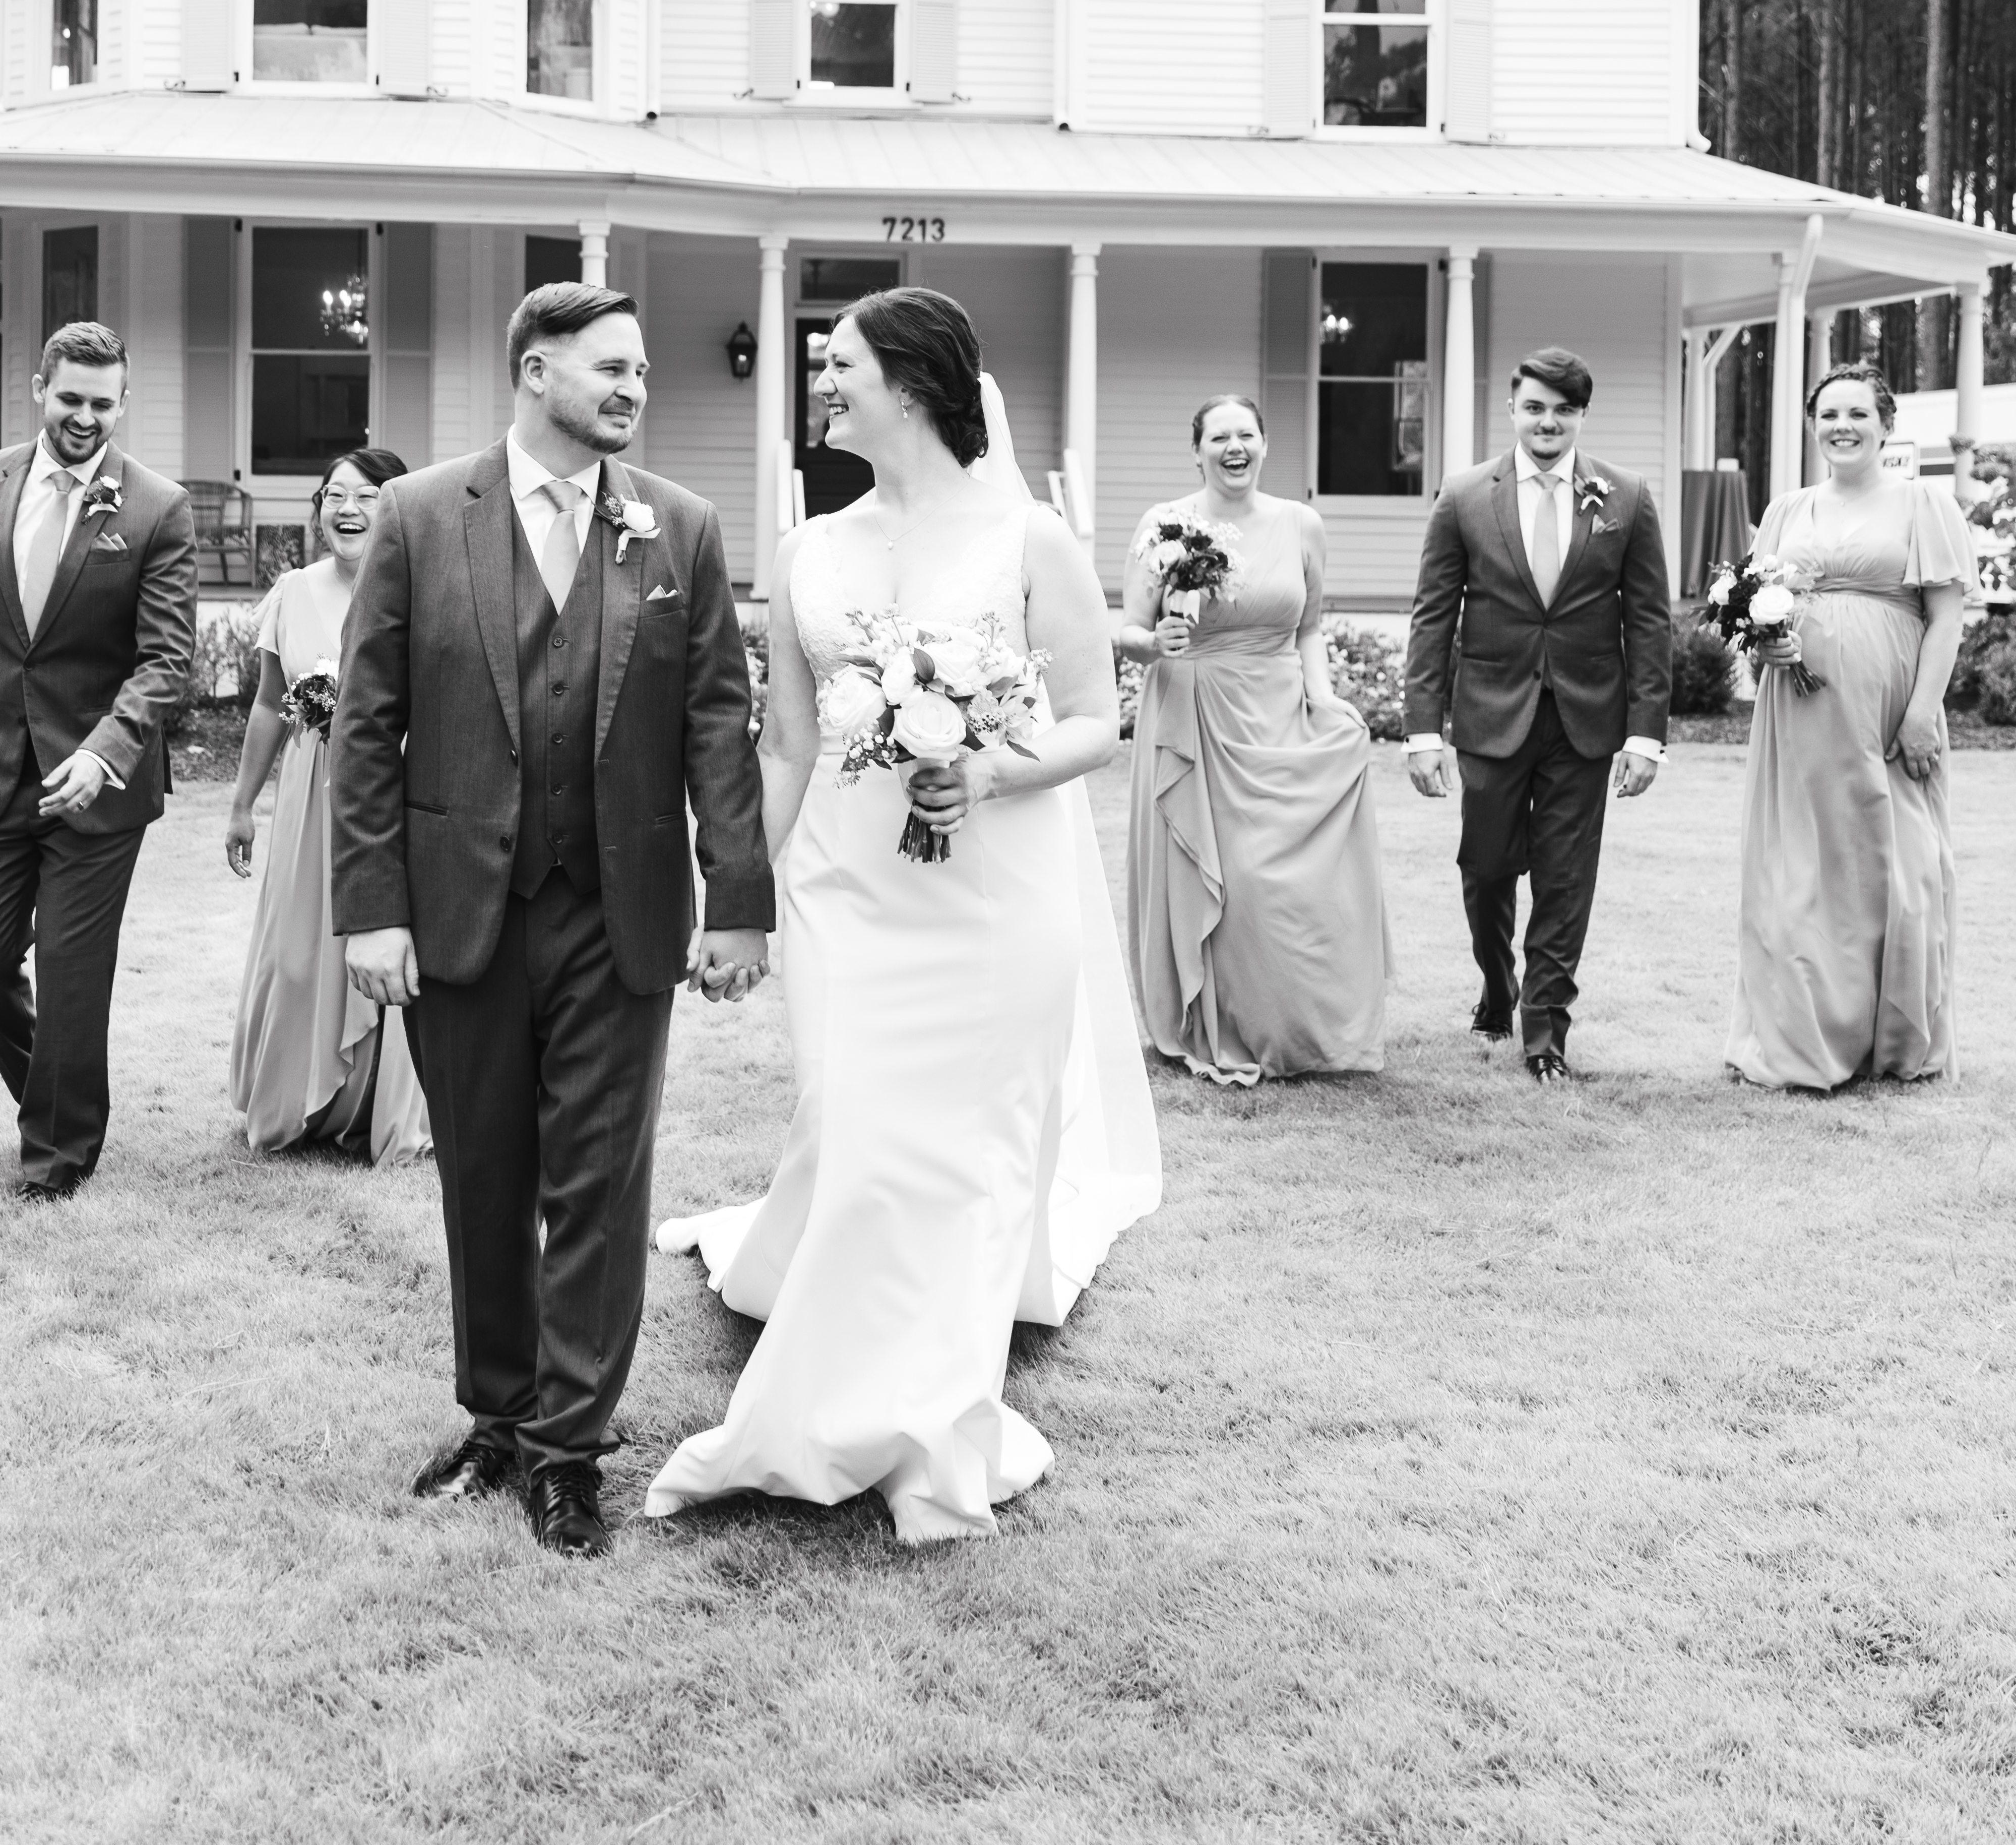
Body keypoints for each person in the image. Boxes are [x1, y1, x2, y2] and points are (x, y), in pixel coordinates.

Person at [645, 291, 1160, 1549]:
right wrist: (738, 897)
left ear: (916, 382)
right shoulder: (807, 547)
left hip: (995, 896)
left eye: (841, 365)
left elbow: (1096, 721)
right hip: (846, 889)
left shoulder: (1032, 538)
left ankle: (927, 1417)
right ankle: (822, 1379)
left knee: (970, 1157)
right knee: (857, 1130)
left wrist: (988, 768)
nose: (821, 384)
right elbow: (785, 740)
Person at [329, 286, 772, 1560]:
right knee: (484, 1177)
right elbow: (367, 723)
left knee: (599, 1183)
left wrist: (738, 903)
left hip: (619, 911)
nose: (635, 389)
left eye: (642, 371)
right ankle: (498, 1416)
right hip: (460, 908)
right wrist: (373, 909)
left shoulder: (678, 525)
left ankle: (569, 1449)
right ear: (535, 371)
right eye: (611, 368)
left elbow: (716, 722)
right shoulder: (421, 515)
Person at [0, 320, 197, 1202]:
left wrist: (106, 752)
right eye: (70, 398)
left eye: (103, 404)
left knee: (72, 974)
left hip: (97, 786)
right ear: (39, 390)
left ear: (123, 403)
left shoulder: (158, 507)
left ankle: (56, 1156)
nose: (85, 417)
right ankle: (58, 1096)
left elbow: (166, 661)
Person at [1400, 348, 1673, 1082]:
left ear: (1581, 415)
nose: (1547, 422)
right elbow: (1433, 618)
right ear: (1512, 410)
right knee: (1486, 868)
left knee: (1565, 876)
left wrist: (1646, 735)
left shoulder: (1627, 495)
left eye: (1563, 410)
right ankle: (1498, 987)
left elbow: (1650, 621)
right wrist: (1422, 731)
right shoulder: (1463, 496)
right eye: (1534, 408)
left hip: (1586, 719)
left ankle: (1545, 1030)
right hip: (1491, 715)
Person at [1118, 395, 1393, 1085]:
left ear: (1265, 444)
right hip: (1194, 713)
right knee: (1230, 877)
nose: (1233, 447)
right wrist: (1155, 642)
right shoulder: (1164, 525)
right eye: (1218, 437)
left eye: (1245, 434)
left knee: (1287, 885)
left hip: (1276, 712)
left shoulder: (1302, 525)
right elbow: (1127, 631)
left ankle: (1295, 1024)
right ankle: (1215, 1021)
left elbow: (1309, 628)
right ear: (1197, 451)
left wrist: (1323, 698)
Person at [1728, 365, 1973, 1089]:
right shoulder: (1786, 510)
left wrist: (1922, 712)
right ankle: (1800, 1040)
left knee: (1900, 867)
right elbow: (1753, 614)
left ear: (1886, 425)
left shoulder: (1924, 505)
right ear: (1813, 425)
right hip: (1799, 713)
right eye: (1829, 414)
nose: (1842, 426)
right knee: (1801, 868)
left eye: (1858, 413)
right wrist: (1766, 649)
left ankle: (1894, 1041)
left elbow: (1946, 619)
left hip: (1889, 711)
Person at [223, 447, 427, 1163]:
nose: (348, 509)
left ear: (396, 508)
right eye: (334, 495)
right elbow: (267, 706)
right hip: (310, 803)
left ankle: (379, 1109)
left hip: (397, 794)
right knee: (298, 955)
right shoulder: (293, 592)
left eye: (367, 496)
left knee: (389, 946)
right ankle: (296, 1100)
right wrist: (242, 805)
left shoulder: (424, 588)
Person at [793, 323, 874, 519]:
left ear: (907, 386)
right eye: (825, 365)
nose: (818, 388)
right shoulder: (809, 535)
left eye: (842, 364)